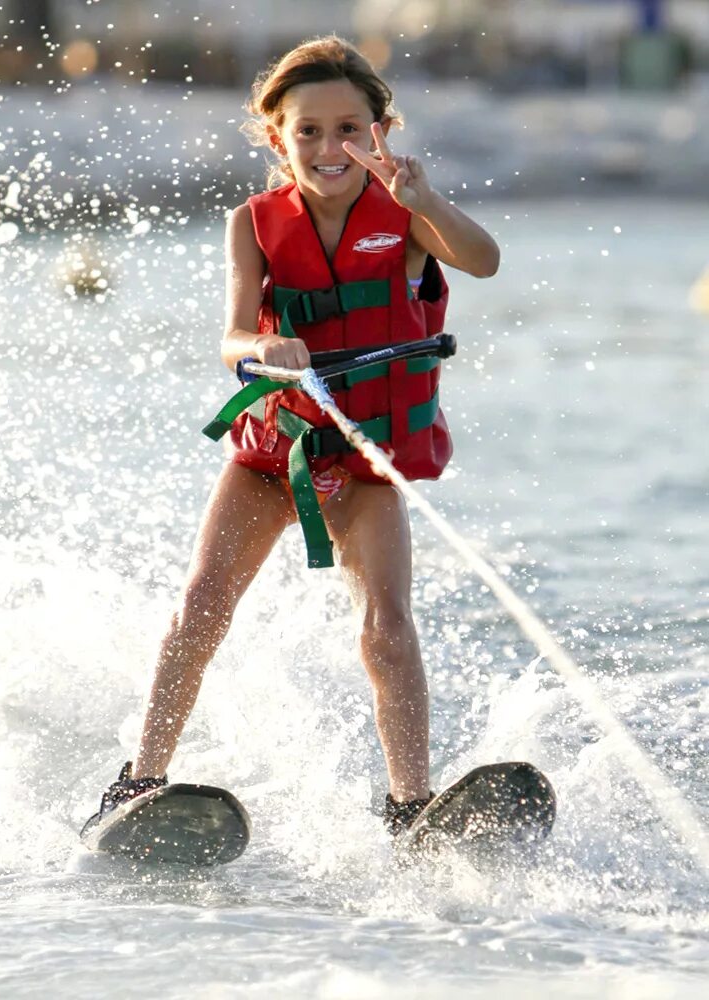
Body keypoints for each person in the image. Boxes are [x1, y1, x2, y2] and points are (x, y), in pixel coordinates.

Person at [82, 36, 499, 840]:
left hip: (366, 454)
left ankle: (410, 806)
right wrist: (262, 348)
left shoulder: (409, 216)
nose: (328, 146)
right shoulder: (253, 223)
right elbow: (233, 337)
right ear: (278, 138)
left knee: (386, 624)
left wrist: (426, 199)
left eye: (348, 128)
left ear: (379, 132)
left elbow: (483, 261)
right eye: (306, 130)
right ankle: (137, 782)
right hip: (276, 451)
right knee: (201, 607)